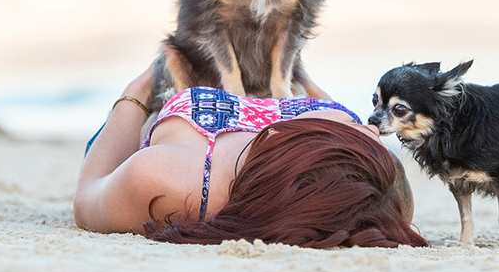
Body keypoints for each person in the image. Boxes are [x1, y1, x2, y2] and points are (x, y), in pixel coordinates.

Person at [74, 65, 428, 248]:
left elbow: (88, 194)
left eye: (355, 133)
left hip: (142, 128)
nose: (370, 127)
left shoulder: (167, 177)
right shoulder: (374, 183)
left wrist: (137, 92)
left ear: (277, 137)